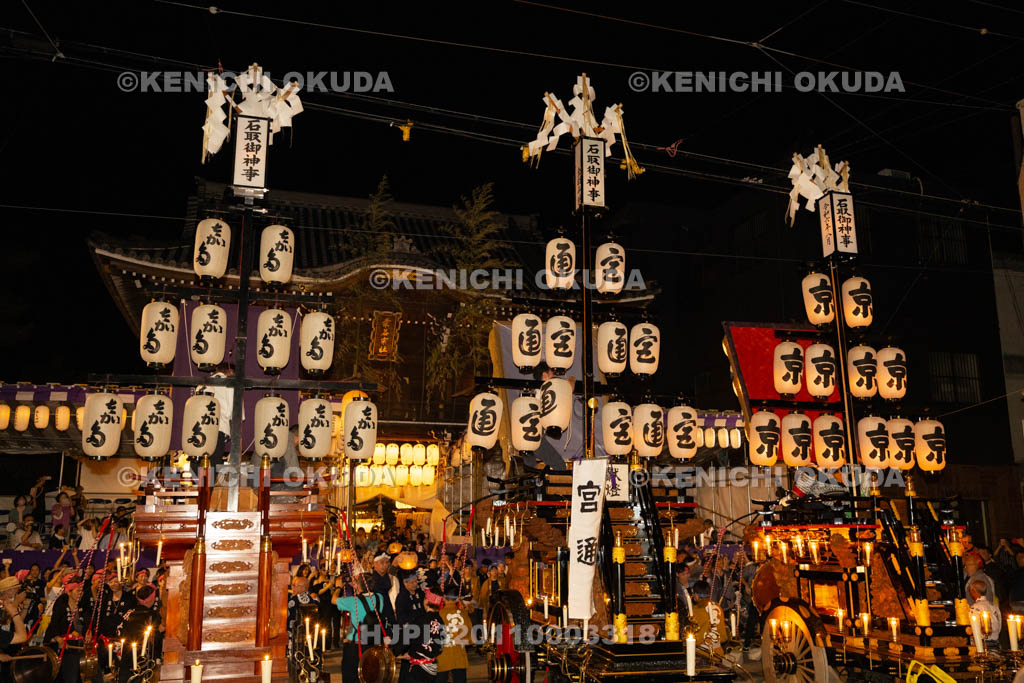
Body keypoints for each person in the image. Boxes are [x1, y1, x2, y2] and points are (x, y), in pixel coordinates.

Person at [335, 571, 388, 683]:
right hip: (374, 644)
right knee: (371, 675)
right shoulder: (380, 598)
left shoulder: (354, 601)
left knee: (351, 676)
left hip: (356, 645)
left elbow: (333, 600)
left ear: (359, 585)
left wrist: (338, 587)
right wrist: (358, 586)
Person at [392, 582, 447, 683]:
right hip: (432, 668)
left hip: (419, 670)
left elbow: (405, 639)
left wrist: (392, 651)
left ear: (426, 601)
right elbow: (440, 645)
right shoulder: (440, 621)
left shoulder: (421, 620)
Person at [44, 573, 88, 683]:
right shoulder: (61, 603)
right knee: (68, 675)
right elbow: (55, 623)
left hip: (77, 645)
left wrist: (88, 632)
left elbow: (86, 622)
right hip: (64, 644)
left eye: (81, 591)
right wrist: (59, 638)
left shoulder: (82, 604)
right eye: (78, 591)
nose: (80, 593)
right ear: (69, 592)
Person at [115, 584, 162, 683]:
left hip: (125, 650)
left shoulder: (130, 611)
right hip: (142, 655)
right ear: (150, 599)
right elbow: (155, 636)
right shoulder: (150, 615)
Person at [436, 584, 470, 683]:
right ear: (457, 599)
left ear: (443, 598)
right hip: (459, 655)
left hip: (443, 656)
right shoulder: (463, 614)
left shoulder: (438, 614)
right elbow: (470, 637)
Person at [370, 553, 400, 625]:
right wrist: (393, 567)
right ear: (375, 564)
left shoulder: (388, 576)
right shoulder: (371, 578)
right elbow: (384, 586)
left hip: (388, 608)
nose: (385, 565)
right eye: (382, 562)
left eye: (387, 562)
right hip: (376, 612)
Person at [968, 579, 1001, 645]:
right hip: (996, 642)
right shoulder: (994, 606)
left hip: (983, 643)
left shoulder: (975, 608)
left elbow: (973, 628)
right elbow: (999, 626)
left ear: (973, 591)